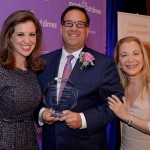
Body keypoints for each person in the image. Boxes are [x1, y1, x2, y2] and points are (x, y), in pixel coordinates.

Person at [38, 6, 124, 150]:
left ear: (87, 30)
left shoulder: (103, 64)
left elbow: (116, 103)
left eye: (80, 24)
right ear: (61, 28)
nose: (74, 28)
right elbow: (33, 99)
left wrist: (83, 119)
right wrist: (41, 114)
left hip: (86, 144)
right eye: (69, 23)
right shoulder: (43, 62)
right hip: (50, 144)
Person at [0, 10, 45, 149]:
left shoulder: (32, 69)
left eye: (32, 34)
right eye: (20, 34)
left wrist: (44, 114)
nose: (28, 40)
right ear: (9, 37)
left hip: (30, 142)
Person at [108, 36, 150, 150]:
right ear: (119, 63)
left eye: (135, 53)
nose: (130, 60)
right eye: (124, 55)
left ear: (143, 58)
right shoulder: (120, 88)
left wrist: (127, 116)